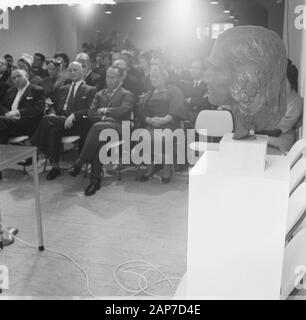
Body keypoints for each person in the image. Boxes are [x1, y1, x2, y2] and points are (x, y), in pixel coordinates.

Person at [68, 65, 134, 196]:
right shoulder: (99, 94)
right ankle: (95, 181)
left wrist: (105, 111)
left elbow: (124, 111)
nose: (108, 80)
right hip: (101, 130)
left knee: (97, 127)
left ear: (120, 79)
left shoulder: (127, 94)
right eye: (107, 77)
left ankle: (80, 162)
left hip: (120, 129)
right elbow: (91, 113)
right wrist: (105, 117)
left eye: (112, 77)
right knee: (99, 141)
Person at [30, 61, 96, 180]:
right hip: (61, 121)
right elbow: (55, 107)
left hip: (79, 123)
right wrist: (52, 112)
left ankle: (36, 148)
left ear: (83, 72)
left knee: (47, 119)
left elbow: (90, 110)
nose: (72, 72)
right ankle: (55, 167)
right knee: (53, 130)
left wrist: (74, 115)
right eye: (70, 70)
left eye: (75, 70)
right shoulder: (63, 89)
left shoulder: (90, 89)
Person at [137, 64, 187, 183]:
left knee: (163, 137)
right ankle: (149, 169)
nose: (153, 78)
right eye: (152, 76)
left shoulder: (174, 90)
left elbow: (178, 107)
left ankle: (166, 170)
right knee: (144, 136)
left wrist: (164, 119)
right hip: (152, 124)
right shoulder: (149, 94)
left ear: (164, 76)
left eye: (156, 76)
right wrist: (149, 120)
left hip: (170, 123)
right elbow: (141, 111)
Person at [257, 61, 303, 154]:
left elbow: (277, 130)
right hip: (270, 135)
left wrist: (254, 129)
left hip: (281, 140)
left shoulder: (296, 103)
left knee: (251, 144)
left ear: (291, 82)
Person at [0, 68, 45, 144]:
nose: (16, 79)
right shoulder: (11, 91)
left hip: (26, 124)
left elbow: (39, 109)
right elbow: (2, 105)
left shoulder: (36, 90)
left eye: (19, 76)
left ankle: (3, 152)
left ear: (26, 76)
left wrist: (17, 112)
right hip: (9, 122)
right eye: (13, 78)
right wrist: (7, 113)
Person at [180, 60, 217, 125]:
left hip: (204, 120)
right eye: (191, 67)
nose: (193, 70)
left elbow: (208, 102)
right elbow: (183, 101)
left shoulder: (208, 85)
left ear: (203, 71)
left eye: (196, 68)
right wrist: (200, 100)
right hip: (188, 121)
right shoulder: (185, 85)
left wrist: (192, 100)